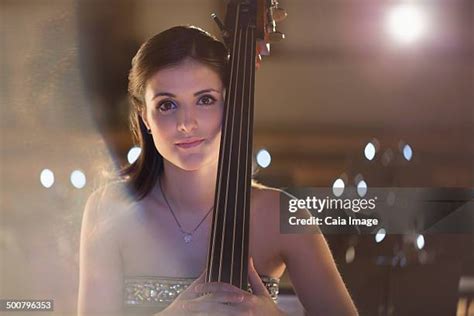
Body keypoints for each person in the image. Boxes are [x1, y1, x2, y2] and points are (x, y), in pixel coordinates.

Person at [78, 25, 358, 316]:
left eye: (205, 100)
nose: (187, 123)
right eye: (167, 105)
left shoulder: (284, 214)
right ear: (143, 116)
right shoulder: (107, 210)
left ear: (232, 105)